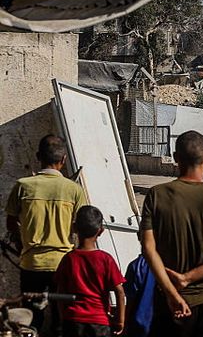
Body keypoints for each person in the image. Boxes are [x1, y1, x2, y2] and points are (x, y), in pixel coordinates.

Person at [140, 130, 203, 337]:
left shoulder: (156, 195)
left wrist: (172, 293)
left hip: (171, 305)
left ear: (176, 158)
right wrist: (188, 277)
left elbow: (149, 249)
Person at [4, 134, 88, 331]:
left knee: (31, 319)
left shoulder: (23, 186)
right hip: (63, 264)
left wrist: (22, 242)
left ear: (37, 156)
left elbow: (10, 223)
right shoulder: (73, 189)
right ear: (64, 160)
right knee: (62, 319)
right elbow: (81, 226)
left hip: (31, 264)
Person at [54, 205, 126, 337]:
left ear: (75, 228)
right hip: (99, 321)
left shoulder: (68, 259)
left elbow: (60, 292)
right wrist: (120, 320)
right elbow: (119, 292)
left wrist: (62, 318)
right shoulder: (106, 259)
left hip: (73, 320)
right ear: (101, 231)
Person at [123, 233, 156, 337]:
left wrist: (125, 323)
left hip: (138, 325)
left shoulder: (135, 266)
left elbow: (130, 300)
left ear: (138, 236)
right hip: (160, 323)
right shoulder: (167, 265)